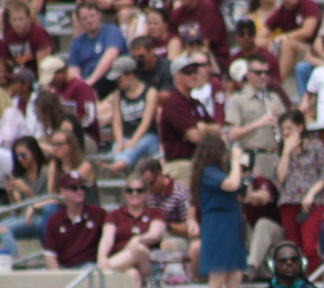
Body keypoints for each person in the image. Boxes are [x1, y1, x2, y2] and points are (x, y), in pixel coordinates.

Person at [192, 136, 247, 288]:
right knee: (217, 279)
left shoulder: (219, 171)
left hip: (231, 223)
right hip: (217, 224)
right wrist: (236, 160)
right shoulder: (208, 172)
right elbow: (232, 184)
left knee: (235, 277)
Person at [97, 175, 166, 288]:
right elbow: (107, 237)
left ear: (146, 193)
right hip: (123, 263)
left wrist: (138, 239)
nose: (135, 193)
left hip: (147, 264)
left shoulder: (155, 213)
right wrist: (101, 257)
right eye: (130, 190)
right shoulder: (115, 214)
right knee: (132, 275)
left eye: (139, 190)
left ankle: (104, 270)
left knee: (137, 249)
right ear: (125, 193)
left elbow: (156, 234)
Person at [276, 109, 324, 274]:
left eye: (289, 128)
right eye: (283, 129)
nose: (286, 132)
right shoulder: (281, 150)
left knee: (309, 246)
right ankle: (295, 283)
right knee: (292, 247)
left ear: (300, 127)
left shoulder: (315, 146)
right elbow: (280, 177)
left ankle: (313, 283)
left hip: (311, 201)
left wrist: (311, 195)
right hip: (289, 201)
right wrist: (286, 152)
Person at [160, 53, 221, 188]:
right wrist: (204, 130)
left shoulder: (194, 102)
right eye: (188, 72)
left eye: (195, 71)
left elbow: (218, 129)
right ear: (176, 77)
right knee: (187, 206)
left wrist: (204, 128)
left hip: (197, 163)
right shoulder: (175, 102)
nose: (194, 75)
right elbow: (195, 137)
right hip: (181, 165)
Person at [226, 54, 287, 182]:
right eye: (258, 72)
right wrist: (258, 124)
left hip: (275, 156)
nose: (263, 76)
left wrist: (281, 116)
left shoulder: (273, 97)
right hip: (253, 156)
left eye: (266, 72)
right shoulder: (239, 99)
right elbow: (233, 134)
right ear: (248, 74)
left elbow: (288, 128)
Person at [103, 56, 160, 175]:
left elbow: (147, 122)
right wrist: (119, 142)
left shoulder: (150, 92)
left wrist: (134, 140)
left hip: (147, 136)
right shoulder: (117, 95)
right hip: (126, 136)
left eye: (120, 78)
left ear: (130, 75)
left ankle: (118, 166)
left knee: (136, 146)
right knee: (117, 148)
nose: (118, 82)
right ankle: (121, 166)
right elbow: (117, 121)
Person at [42, 171, 106, 271]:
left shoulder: (98, 214)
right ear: (62, 192)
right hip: (64, 267)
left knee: (90, 270)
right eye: (74, 188)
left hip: (89, 266)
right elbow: (50, 255)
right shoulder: (55, 220)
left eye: (82, 188)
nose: (80, 191)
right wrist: (57, 276)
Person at [68, 2, 128, 98]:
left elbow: (111, 56)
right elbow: (73, 69)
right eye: (85, 18)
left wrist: (91, 81)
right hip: (87, 85)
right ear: (79, 21)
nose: (89, 21)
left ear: (99, 15)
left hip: (110, 81)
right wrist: (81, 86)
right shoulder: (77, 43)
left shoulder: (113, 31)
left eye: (92, 16)